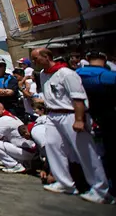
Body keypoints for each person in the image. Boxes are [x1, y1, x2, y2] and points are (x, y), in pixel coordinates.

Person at [31, 48, 112, 204]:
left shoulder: (67, 74)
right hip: (53, 114)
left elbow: (78, 98)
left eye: (36, 59)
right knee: (52, 145)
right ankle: (64, 182)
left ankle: (101, 190)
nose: (34, 62)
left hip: (70, 114)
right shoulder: (43, 74)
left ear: (47, 56)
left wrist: (79, 119)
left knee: (85, 151)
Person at [75, 51, 116, 184]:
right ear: (105, 59)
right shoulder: (110, 75)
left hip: (82, 118)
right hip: (108, 118)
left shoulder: (76, 74)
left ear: (87, 59)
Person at [0, 101, 35, 173]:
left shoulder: (5, 119)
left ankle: (14, 165)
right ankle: (24, 164)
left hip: (25, 151)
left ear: (2, 109)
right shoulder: (12, 117)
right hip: (28, 149)